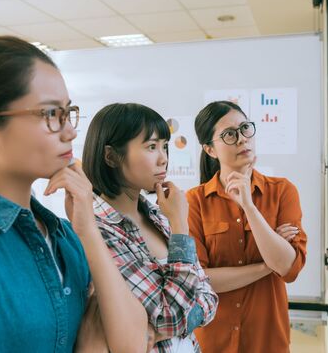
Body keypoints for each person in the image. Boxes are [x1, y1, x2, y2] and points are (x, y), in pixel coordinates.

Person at [0, 36, 148, 353]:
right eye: (49, 114)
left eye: (68, 112)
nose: (70, 131)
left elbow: (132, 344)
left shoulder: (66, 235)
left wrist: (87, 229)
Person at [82, 103, 218, 352]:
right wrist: (179, 226)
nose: (163, 158)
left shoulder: (158, 215)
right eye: (151, 147)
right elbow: (171, 315)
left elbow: (209, 298)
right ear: (111, 156)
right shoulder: (98, 231)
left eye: (165, 146)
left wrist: (167, 325)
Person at [186, 101, 308, 353]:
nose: (242, 139)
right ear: (210, 149)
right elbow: (200, 279)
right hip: (212, 342)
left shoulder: (282, 191)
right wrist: (267, 264)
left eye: (245, 128)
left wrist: (250, 208)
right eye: (229, 134)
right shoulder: (194, 201)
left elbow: (289, 268)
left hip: (267, 340)